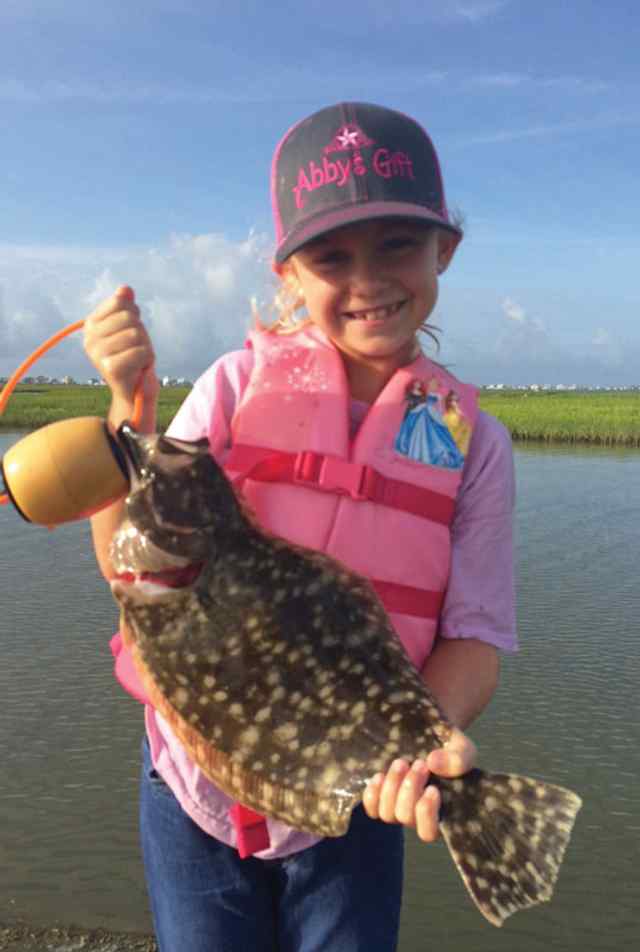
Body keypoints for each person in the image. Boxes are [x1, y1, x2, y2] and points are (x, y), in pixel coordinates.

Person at [84, 102, 516, 952]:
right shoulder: (233, 388)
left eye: (397, 243)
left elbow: (475, 637)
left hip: (350, 815)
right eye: (330, 255)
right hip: (189, 788)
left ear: (445, 251)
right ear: (288, 274)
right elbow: (126, 568)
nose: (366, 280)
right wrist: (124, 414)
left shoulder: (479, 447)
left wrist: (420, 751)